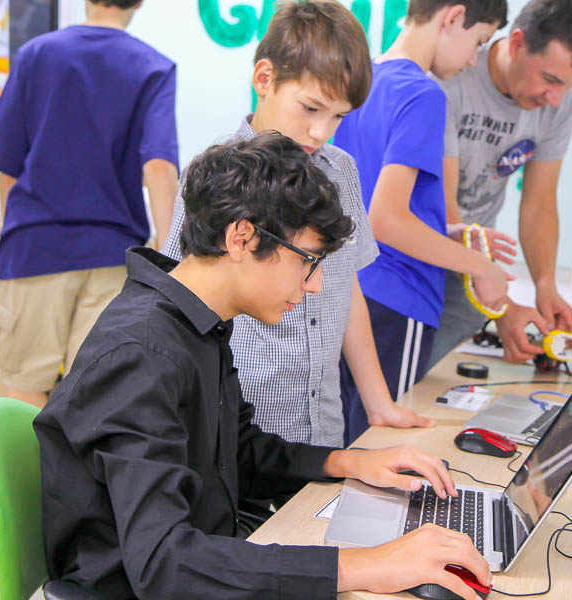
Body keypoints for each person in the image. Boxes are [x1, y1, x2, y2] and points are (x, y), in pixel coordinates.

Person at [35, 133, 490, 600]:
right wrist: (366, 565)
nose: (315, 286)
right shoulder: (141, 354)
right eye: (308, 261)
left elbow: (235, 453)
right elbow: (164, 563)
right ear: (242, 238)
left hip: (210, 557)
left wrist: (348, 462)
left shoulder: (196, 323)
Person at [163, 0, 432, 454]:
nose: (321, 132)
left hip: (321, 425)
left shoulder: (340, 171)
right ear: (264, 79)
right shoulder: (213, 177)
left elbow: (346, 286)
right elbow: (177, 300)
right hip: (242, 431)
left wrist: (378, 403)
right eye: (310, 108)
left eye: (338, 116)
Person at [0, 0, 179, 408]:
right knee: (90, 398)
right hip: (112, 255)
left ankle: (28, 456)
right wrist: (167, 252)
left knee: (24, 389)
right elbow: (159, 166)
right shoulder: (154, 68)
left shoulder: (36, 54)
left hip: (35, 248)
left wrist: (12, 234)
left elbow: (8, 165)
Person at [334, 0, 511, 444]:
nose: (473, 60)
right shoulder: (424, 95)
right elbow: (386, 220)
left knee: (348, 438)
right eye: (479, 41)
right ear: (453, 17)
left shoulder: (364, 81)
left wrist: (448, 234)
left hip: (349, 293)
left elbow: (364, 203)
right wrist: (482, 267)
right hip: (398, 298)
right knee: (379, 444)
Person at [429, 0, 572, 366]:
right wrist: (502, 306)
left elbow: (539, 204)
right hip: (425, 255)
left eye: (571, 86)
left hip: (478, 268)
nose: (555, 99)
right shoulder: (452, 77)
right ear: (517, 43)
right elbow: (443, 207)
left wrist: (545, 285)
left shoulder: (560, 103)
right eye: (551, 80)